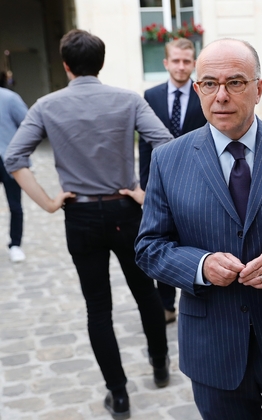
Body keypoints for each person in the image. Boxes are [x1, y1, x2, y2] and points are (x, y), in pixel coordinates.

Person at [135, 39, 262, 420]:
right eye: (210, 84)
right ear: (197, 89)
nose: (221, 96)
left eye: (235, 82)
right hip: (213, 349)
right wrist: (201, 265)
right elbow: (149, 246)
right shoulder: (168, 160)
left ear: (258, 89)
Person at [5, 29, 173, 420]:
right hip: (125, 211)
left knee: (98, 308)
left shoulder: (47, 105)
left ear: (66, 66)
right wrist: (146, 194)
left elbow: (15, 158)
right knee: (145, 292)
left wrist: (48, 203)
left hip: (80, 215)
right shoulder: (129, 99)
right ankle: (161, 365)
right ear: (101, 62)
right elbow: (165, 144)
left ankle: (119, 395)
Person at [139, 37, 206, 324]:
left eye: (187, 61)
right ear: (166, 62)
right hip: (162, 181)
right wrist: (143, 187)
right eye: (176, 61)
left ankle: (201, 291)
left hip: (198, 179)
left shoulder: (203, 92)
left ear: (194, 63)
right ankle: (166, 304)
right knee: (162, 241)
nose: (181, 66)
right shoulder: (151, 96)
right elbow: (144, 146)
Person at [0, 73, 28, 262]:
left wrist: (19, 152)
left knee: (15, 205)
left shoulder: (9, 98)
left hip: (8, 159)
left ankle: (15, 244)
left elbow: (28, 125)